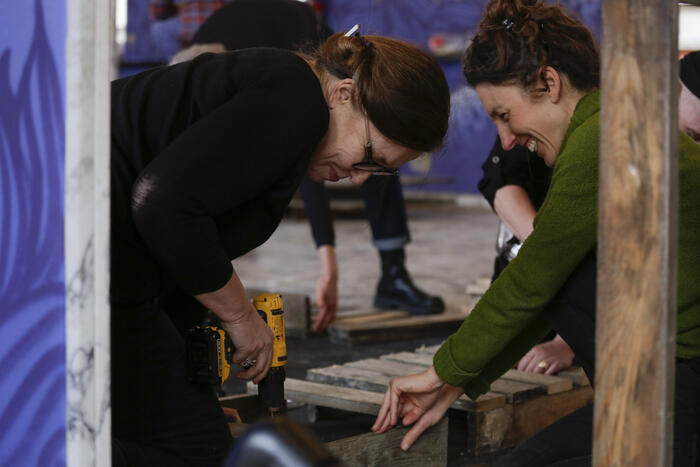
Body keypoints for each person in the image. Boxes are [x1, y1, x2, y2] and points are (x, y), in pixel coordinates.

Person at [372, 1, 700, 464]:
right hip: (660, 379)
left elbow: (532, 281)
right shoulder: (605, 124)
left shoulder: (601, 140)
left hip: (680, 386)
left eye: (505, 115)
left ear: (549, 83)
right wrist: (453, 383)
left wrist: (440, 372)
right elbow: (543, 286)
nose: (505, 140)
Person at [110, 26, 450, 465]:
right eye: (371, 157)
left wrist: (192, 395)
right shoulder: (297, 100)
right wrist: (240, 314)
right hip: (80, 255)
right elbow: (160, 205)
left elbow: (179, 245)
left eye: (380, 172)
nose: (360, 176)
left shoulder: (287, 104)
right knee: (198, 452)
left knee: (195, 435)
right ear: (344, 94)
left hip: (108, 263)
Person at [185, 0, 446, 333]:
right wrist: (328, 264)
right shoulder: (293, 85)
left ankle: (393, 272)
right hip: (205, 60)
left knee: (379, 144)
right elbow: (308, 162)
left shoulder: (323, 48)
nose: (355, 181)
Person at [479, 138, 575, 375]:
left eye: (505, 116)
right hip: (523, 301)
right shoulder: (517, 134)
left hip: (593, 324)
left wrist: (568, 343)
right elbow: (501, 175)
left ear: (552, 97)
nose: (507, 137)